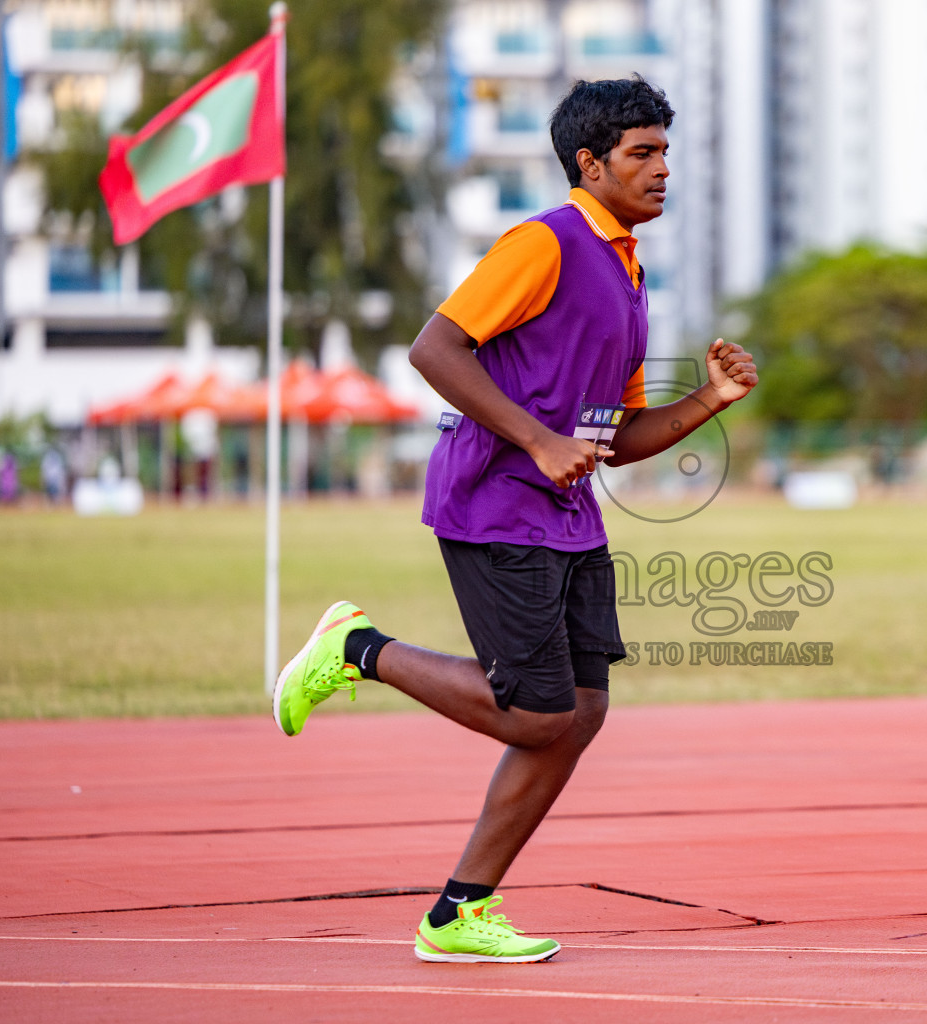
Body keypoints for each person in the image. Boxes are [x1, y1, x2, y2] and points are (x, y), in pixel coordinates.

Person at [272, 76, 757, 964]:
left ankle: (459, 913)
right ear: (590, 162)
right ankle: (357, 650)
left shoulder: (628, 273)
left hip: (568, 516)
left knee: (579, 711)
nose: (662, 170)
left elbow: (614, 439)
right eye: (642, 153)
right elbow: (434, 347)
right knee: (537, 717)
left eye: (664, 151)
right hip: (496, 504)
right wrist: (536, 442)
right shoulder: (545, 242)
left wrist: (711, 400)